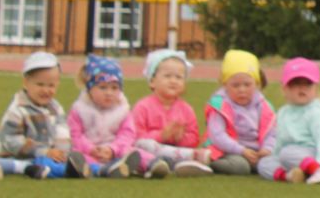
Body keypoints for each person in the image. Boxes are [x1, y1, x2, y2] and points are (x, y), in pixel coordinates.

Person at [121, 49, 212, 178]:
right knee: (144, 145)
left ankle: (179, 164)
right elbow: (135, 136)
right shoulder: (143, 107)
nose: (173, 81)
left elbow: (194, 137)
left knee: (186, 151)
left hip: (177, 149)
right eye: (167, 76)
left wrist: (181, 138)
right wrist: (162, 135)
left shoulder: (186, 109)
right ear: (152, 81)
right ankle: (186, 160)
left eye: (179, 77)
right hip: (150, 151)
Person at [0, 51, 78, 178]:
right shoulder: (18, 109)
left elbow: (62, 132)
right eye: (40, 84)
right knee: (46, 164)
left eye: (51, 85)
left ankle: (100, 169)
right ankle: (68, 171)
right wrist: (43, 152)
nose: (46, 90)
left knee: (66, 160)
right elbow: (10, 140)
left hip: (48, 155)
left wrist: (61, 152)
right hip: (18, 157)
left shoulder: (55, 108)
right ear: (26, 83)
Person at [203, 50, 276, 176]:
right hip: (227, 151)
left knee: (272, 163)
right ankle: (208, 161)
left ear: (256, 84)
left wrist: (267, 149)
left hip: (255, 152)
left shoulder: (263, 106)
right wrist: (241, 150)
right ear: (225, 85)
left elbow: (272, 133)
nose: (242, 90)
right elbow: (217, 135)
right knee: (240, 167)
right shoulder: (220, 105)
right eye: (235, 85)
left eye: (247, 85)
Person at [67, 54, 132, 178]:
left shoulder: (123, 110)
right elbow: (75, 135)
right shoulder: (79, 109)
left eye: (114, 88)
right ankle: (103, 170)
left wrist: (112, 149)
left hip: (114, 150)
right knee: (77, 156)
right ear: (90, 88)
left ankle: (150, 164)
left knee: (132, 151)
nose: (109, 93)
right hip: (90, 151)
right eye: (102, 88)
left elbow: (127, 134)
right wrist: (91, 149)